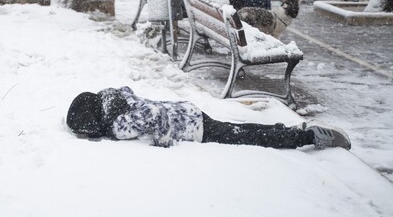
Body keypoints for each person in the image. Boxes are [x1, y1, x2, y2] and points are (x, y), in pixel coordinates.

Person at [66, 86, 351, 150]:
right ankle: (286, 130)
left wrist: (162, 145)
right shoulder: (113, 97)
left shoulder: (117, 124)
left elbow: (156, 114)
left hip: (194, 129)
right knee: (240, 131)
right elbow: (128, 90)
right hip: (189, 112)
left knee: (247, 138)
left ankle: (306, 136)